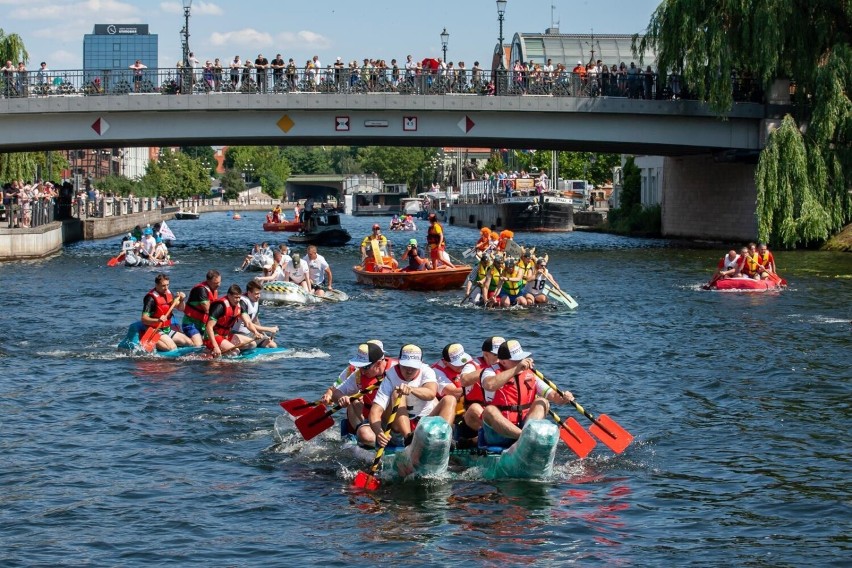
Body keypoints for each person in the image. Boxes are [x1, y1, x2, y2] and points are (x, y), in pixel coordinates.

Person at [480, 340, 574, 447]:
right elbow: (490, 385)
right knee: (489, 411)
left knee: (542, 401)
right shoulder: (489, 372)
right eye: (517, 360)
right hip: (498, 434)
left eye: (521, 358)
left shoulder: (531, 374)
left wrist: (564, 398)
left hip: (525, 426)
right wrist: (516, 369)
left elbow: (554, 396)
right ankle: (526, 436)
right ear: (503, 362)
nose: (521, 362)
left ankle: (528, 435)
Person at [368, 344, 457, 449]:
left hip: (424, 423)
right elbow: (375, 412)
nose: (409, 370)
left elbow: (431, 394)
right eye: (405, 366)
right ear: (399, 362)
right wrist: (379, 433)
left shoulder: (427, 371)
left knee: (450, 399)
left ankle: (442, 439)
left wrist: (411, 389)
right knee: (397, 393)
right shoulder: (390, 376)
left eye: (413, 367)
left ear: (420, 364)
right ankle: (409, 439)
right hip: (398, 430)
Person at [322, 342, 395, 448]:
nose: (361, 370)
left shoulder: (397, 369)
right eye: (359, 366)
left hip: (396, 420)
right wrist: (341, 398)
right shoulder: (358, 375)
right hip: (372, 420)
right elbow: (336, 392)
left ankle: (399, 438)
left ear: (379, 363)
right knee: (354, 401)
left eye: (365, 367)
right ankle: (379, 441)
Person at [431, 343, 481, 448]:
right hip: (452, 416)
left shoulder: (469, 364)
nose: (462, 365)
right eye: (457, 363)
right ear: (445, 362)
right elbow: (454, 392)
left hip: (468, 411)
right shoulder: (437, 372)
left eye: (463, 361)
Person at [140, 273, 193, 352]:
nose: (166, 288)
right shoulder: (150, 298)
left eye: (167, 285)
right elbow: (144, 319)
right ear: (156, 285)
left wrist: (182, 300)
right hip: (154, 329)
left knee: (189, 343)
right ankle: (151, 339)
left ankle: (166, 340)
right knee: (172, 348)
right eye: (163, 285)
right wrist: (158, 320)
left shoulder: (168, 293)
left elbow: (181, 308)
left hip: (167, 329)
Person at [204, 284, 250, 357]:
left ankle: (219, 350)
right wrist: (215, 346)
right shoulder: (220, 306)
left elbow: (248, 323)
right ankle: (211, 352)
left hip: (225, 335)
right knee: (235, 352)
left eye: (239, 297)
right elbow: (209, 327)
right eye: (235, 297)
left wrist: (256, 333)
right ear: (229, 295)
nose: (238, 300)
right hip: (212, 336)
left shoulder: (238, 305)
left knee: (251, 344)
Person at [233, 280, 279, 349]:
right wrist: (269, 329)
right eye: (256, 294)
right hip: (238, 333)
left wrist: (264, 335)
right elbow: (248, 324)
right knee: (253, 344)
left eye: (259, 293)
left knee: (272, 345)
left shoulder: (256, 301)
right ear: (249, 293)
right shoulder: (242, 302)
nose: (259, 296)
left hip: (250, 333)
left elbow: (255, 321)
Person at [181, 269, 222, 346]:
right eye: (216, 283)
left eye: (220, 282)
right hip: (190, 324)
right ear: (208, 281)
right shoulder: (201, 290)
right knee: (199, 345)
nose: (219, 285)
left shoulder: (214, 289)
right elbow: (208, 309)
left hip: (203, 324)